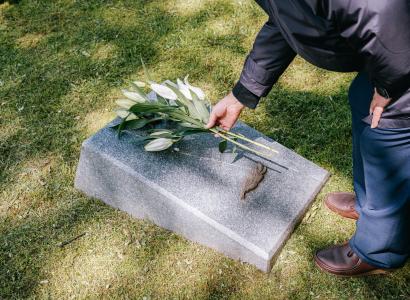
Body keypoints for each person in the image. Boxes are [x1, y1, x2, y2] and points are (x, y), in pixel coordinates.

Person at [206, 0, 410, 277]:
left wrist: (388, 87)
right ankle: (370, 205)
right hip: (391, 43)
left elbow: (385, 16)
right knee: (364, 101)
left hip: (402, 45)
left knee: (388, 129)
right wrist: (241, 93)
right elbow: (289, 20)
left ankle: (379, 250)